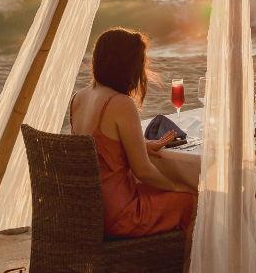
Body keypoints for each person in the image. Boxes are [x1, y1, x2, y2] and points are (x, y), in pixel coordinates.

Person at [70, 28, 196, 241]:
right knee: (194, 200)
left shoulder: (79, 97)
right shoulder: (120, 103)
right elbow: (144, 171)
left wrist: (142, 146)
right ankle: (178, 272)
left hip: (90, 211)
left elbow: (96, 151)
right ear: (128, 65)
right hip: (119, 213)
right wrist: (180, 186)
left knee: (171, 194)